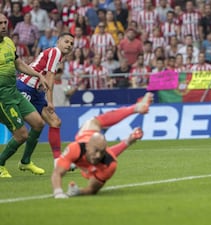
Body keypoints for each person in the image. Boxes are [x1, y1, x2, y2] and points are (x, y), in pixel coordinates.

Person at [51, 92, 154, 198]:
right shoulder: (75, 148)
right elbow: (57, 173)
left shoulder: (110, 163)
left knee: (96, 130)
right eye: (95, 151)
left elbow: (92, 189)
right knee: (94, 121)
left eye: (102, 152)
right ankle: (135, 108)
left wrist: (78, 192)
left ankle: (135, 112)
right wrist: (58, 192)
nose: (98, 155)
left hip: (90, 158)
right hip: (87, 134)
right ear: (87, 147)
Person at [0, 13, 49, 178]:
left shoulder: (8, 43)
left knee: (38, 123)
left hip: (14, 92)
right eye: (0, 23)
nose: (3, 26)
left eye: (5, 22)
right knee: (21, 135)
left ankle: (26, 161)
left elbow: (18, 64)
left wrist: (38, 75)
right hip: (2, 98)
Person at [16, 32, 74, 162]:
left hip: (36, 92)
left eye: (71, 44)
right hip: (25, 86)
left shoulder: (56, 56)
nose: (69, 45)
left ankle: (57, 160)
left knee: (55, 122)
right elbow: (50, 76)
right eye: (66, 41)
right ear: (58, 41)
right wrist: (50, 101)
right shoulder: (56, 52)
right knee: (14, 126)